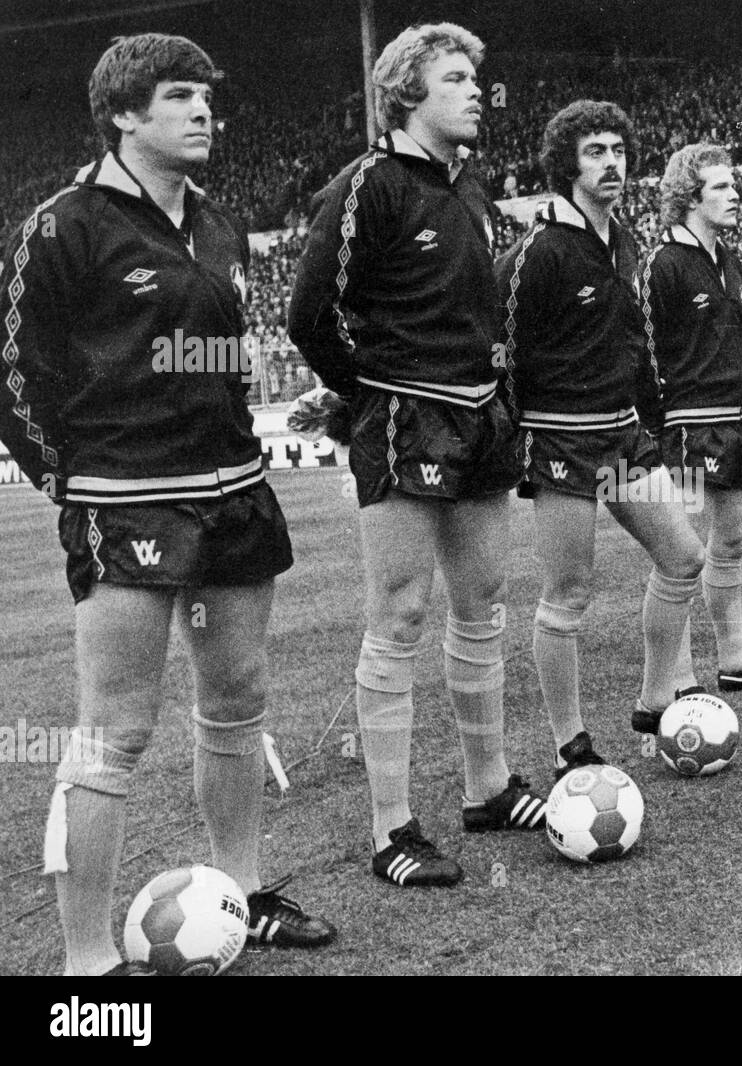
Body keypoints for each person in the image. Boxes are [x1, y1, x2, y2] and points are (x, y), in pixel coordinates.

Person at [0, 33, 334, 974]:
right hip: (128, 504)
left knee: (237, 699)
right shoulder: (64, 225)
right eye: (180, 96)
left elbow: (223, 364)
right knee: (114, 731)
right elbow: (15, 372)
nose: (203, 112)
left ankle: (243, 890)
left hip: (235, 493)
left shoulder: (217, 227)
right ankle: (84, 964)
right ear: (123, 114)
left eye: (206, 97)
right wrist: (77, 482)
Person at [289, 23, 546, 892]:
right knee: (399, 616)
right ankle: (391, 828)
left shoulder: (471, 188)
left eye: (478, 76)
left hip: (481, 417)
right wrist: (363, 390)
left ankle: (488, 786)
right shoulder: (370, 183)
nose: (477, 91)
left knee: (484, 604)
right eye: (456, 78)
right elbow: (309, 310)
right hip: (403, 418)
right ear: (407, 93)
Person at [495, 100, 705, 758]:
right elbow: (496, 348)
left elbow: (634, 343)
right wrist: (510, 439)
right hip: (560, 439)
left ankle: (654, 703)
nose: (610, 161)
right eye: (594, 152)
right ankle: (569, 744)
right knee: (569, 591)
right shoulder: (539, 248)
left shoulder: (627, 243)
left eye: (617, 149)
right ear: (567, 165)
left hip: (623, 435)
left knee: (684, 558)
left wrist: (656, 419)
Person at [643, 144, 742, 691]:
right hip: (688, 425)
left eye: (734, 186)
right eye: (721, 188)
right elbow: (643, 351)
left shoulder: (726, 258)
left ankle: (734, 662)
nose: (735, 195)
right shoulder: (661, 264)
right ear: (689, 197)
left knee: (730, 545)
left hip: (739, 418)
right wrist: (655, 426)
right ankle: (680, 680)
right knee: (681, 556)